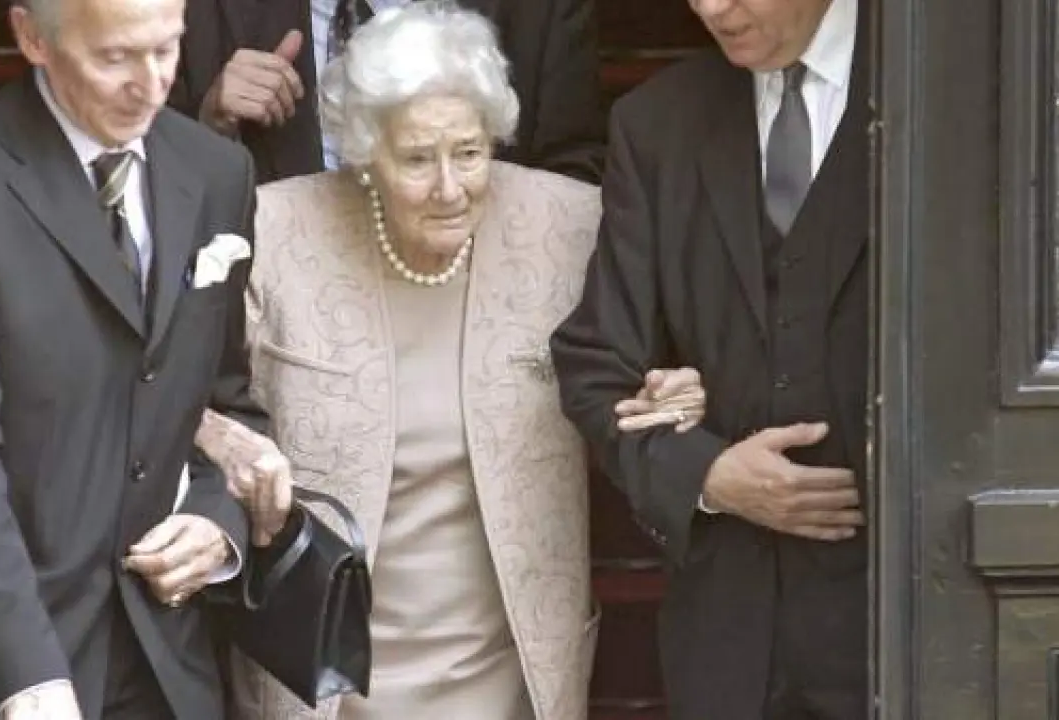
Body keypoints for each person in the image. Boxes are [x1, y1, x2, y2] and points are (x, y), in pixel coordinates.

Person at [189, 4, 704, 718]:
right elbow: (187, 394)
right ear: (365, 151)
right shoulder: (274, 231)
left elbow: (659, 357)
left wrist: (679, 391)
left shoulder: (566, 226)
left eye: (468, 152)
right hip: (322, 684)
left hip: (509, 677)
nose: (449, 188)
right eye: (416, 159)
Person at [0, 0, 266, 716]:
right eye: (115, 57)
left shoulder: (219, 171)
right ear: (31, 36)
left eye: (167, 49)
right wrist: (28, 679)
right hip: (6, 666)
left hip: (167, 668)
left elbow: (226, 407)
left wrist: (219, 520)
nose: (150, 85)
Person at [550, 0, 870, 717]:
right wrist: (706, 475)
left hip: (911, 618)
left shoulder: (944, 90)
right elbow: (595, 362)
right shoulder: (656, 123)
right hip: (728, 634)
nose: (711, 8)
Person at [169, 0, 606, 184]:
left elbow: (577, 175)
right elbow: (146, 190)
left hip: (474, 303)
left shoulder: (538, 10)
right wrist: (210, 127)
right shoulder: (195, 13)